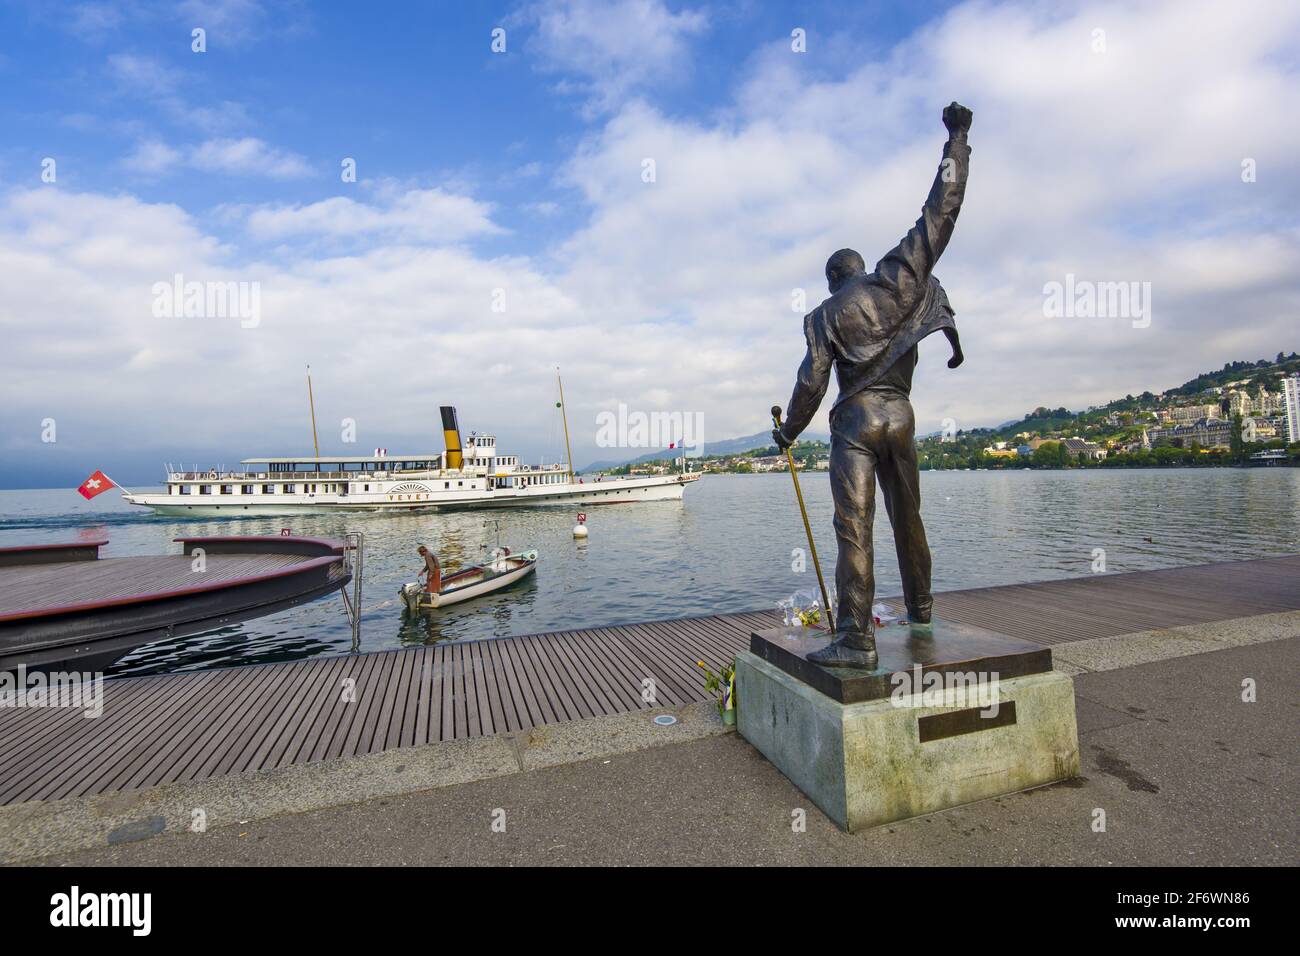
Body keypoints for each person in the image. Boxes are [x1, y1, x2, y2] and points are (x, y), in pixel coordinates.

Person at [773, 101, 973, 669]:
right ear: (860, 269)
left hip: (857, 422)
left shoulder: (825, 315)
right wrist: (957, 138)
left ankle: (857, 640)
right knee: (909, 517)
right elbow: (941, 213)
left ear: (834, 279)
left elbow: (811, 384)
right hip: (902, 417)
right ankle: (922, 613)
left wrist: (788, 433)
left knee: (854, 529)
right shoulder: (901, 282)